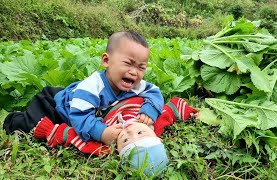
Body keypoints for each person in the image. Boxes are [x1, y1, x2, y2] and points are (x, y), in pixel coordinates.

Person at [3, 31, 164, 147]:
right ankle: (11, 119)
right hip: (54, 105)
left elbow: (154, 92)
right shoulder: (93, 86)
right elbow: (80, 116)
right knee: (29, 125)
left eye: (141, 67)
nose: (134, 72)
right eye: (128, 63)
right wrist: (102, 132)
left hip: (78, 102)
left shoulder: (135, 84)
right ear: (106, 61)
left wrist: (149, 109)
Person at [33, 96, 199, 176]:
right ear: (157, 137)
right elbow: (173, 107)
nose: (129, 130)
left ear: (117, 150)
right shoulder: (155, 123)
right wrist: (192, 112)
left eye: (126, 140)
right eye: (141, 133)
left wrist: (49, 130)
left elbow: (77, 138)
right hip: (133, 92)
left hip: (103, 103)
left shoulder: (107, 145)